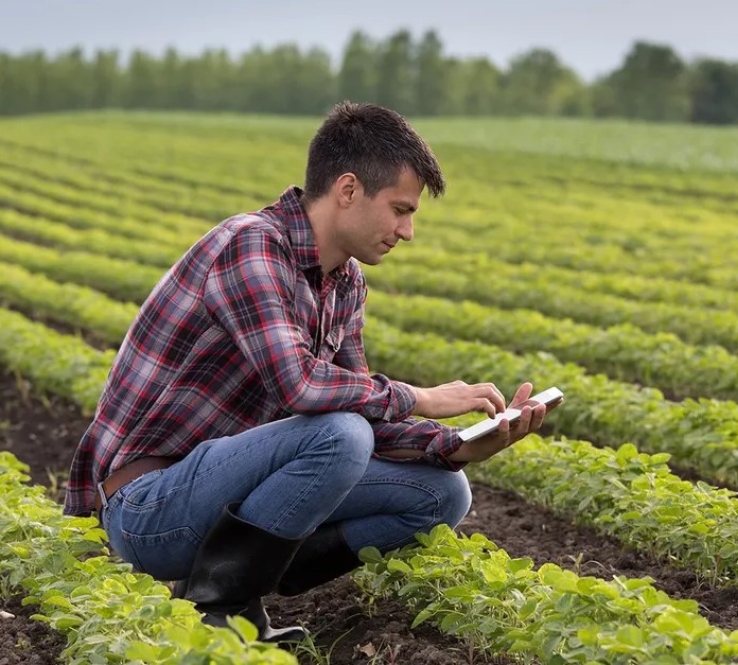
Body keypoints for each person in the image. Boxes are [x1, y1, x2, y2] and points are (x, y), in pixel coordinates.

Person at [62, 101, 557, 645]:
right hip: (152, 508)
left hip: (226, 493)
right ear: (348, 190)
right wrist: (420, 396)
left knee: (444, 494)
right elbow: (301, 386)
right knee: (339, 436)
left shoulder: (343, 283)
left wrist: (459, 445)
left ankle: (254, 573)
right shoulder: (250, 245)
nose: (407, 231)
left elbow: (359, 403)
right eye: (399, 209)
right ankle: (222, 609)